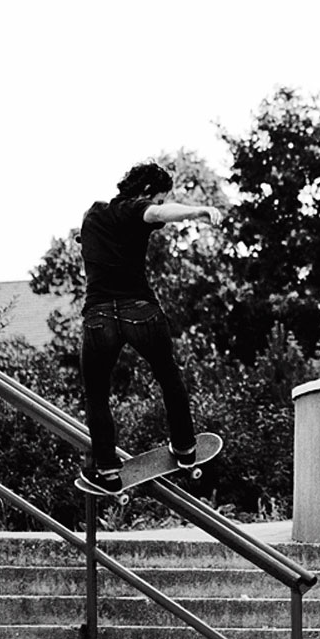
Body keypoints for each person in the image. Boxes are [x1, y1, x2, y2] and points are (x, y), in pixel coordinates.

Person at [77, 162, 222, 496]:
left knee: (97, 393)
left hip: (98, 316)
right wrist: (197, 210)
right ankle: (185, 448)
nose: (158, 204)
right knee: (168, 376)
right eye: (158, 198)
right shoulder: (139, 208)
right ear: (145, 193)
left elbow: (93, 240)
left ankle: (107, 470)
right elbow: (157, 215)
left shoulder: (92, 215)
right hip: (139, 310)